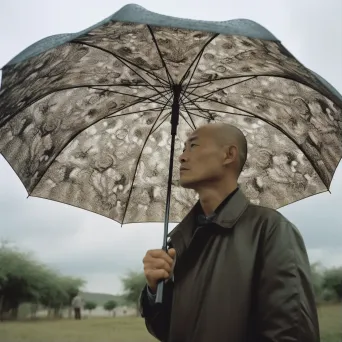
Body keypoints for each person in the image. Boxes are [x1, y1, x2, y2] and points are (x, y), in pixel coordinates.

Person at [139, 123, 320, 342]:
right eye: (183, 148)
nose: (182, 157)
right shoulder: (180, 240)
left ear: (228, 155)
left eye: (193, 146)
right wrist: (153, 291)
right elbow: (168, 331)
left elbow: (291, 333)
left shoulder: (270, 230)